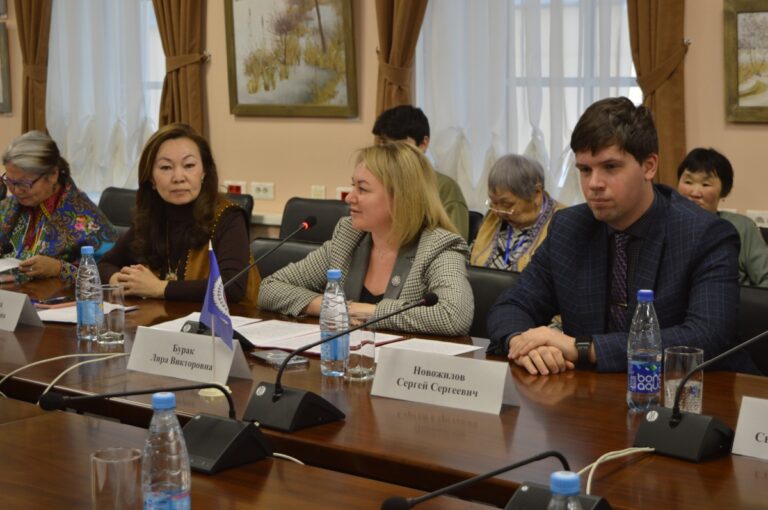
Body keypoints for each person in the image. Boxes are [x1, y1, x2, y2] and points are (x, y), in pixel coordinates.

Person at [487, 96, 755, 375]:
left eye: (610, 167)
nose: (594, 184)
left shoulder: (704, 234)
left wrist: (585, 348)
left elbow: (707, 335)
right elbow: (512, 305)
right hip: (590, 393)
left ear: (649, 166)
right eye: (585, 170)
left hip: (689, 390)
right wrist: (523, 343)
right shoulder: (569, 228)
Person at [259, 142, 473, 336]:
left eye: (362, 189)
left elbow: (454, 316)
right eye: (352, 186)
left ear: (401, 198)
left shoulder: (439, 246)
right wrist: (332, 307)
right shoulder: (349, 237)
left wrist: (365, 311)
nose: (349, 198)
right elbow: (270, 287)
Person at [98, 123, 260, 304]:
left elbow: (232, 287)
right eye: (166, 167)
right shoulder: (151, 217)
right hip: (164, 318)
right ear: (151, 178)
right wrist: (120, 281)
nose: (178, 177)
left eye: (189, 165)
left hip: (222, 320)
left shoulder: (229, 217)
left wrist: (159, 288)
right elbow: (104, 265)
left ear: (204, 171)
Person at [0, 131, 117, 283]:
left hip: (54, 296)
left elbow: (108, 275)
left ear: (53, 174)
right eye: (10, 181)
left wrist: (58, 269)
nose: (16, 191)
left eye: (24, 183)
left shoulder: (86, 220)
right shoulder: (9, 207)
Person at [372, 105, 470, 241]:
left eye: (399, 143)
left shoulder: (444, 188)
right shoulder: (375, 182)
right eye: (384, 143)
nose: (390, 151)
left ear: (423, 144)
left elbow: (455, 245)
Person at [676, 148, 768, 288]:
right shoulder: (665, 226)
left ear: (724, 191)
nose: (695, 192)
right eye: (688, 182)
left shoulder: (740, 227)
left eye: (705, 184)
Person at [470, 154, 564, 271]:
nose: (499, 212)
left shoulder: (563, 224)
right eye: (493, 202)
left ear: (536, 194)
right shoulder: (492, 218)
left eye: (507, 204)